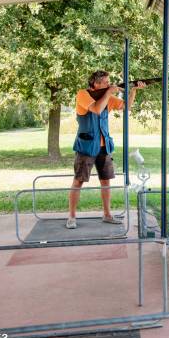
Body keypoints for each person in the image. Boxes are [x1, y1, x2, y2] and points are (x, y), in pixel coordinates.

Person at [67, 70, 145, 229]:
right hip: (86, 147)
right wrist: (109, 92)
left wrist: (133, 90)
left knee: (106, 182)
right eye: (105, 82)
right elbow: (96, 109)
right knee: (78, 181)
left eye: (109, 82)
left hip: (104, 147)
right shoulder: (83, 94)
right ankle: (72, 217)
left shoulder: (107, 96)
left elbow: (126, 106)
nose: (109, 85)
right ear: (95, 83)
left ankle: (107, 215)